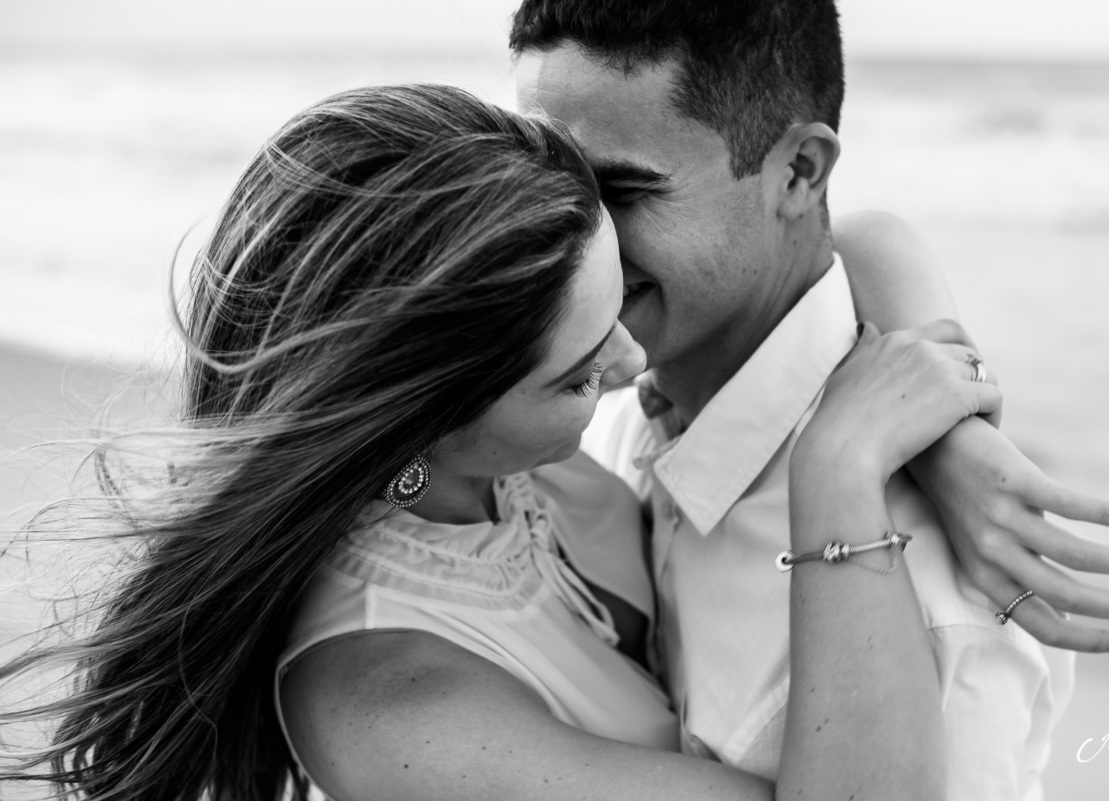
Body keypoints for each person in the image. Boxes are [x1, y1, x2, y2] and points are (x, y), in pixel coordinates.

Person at [0, 82, 1014, 801]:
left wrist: (959, 432)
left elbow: (853, 235)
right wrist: (840, 469)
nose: (630, 365)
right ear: (417, 423)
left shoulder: (511, 462)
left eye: (619, 304)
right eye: (577, 373)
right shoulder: (393, 707)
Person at [509, 1, 1109, 798]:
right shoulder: (604, 399)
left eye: (624, 192)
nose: (569, 239)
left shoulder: (931, 595)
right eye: (546, 183)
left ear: (798, 172)